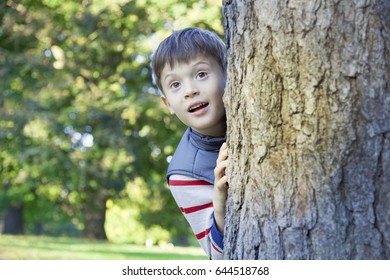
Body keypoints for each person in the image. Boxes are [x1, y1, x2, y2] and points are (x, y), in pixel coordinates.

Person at [151, 27, 229, 260]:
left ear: (230, 74)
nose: (190, 90)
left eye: (201, 74)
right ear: (169, 105)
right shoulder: (184, 175)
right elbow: (218, 258)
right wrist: (220, 207)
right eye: (175, 84)